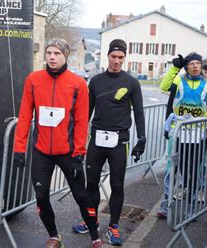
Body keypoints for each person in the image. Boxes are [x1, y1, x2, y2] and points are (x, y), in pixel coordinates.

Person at [13, 38, 104, 248]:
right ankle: (54, 236)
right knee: (41, 196)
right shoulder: (33, 80)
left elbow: (82, 121)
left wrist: (79, 151)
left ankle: (94, 236)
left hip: (68, 152)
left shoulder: (79, 84)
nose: (52, 57)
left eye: (57, 54)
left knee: (81, 196)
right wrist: (19, 148)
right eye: (49, 53)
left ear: (66, 57)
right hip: (41, 152)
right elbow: (25, 116)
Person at [72, 39, 146, 246]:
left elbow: (139, 114)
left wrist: (142, 139)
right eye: (113, 57)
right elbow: (86, 113)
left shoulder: (132, 83)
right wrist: (76, 139)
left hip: (119, 141)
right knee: (92, 183)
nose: (116, 61)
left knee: (116, 185)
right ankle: (91, 220)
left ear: (125, 58)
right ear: (108, 56)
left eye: (120, 57)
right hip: (96, 139)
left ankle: (113, 226)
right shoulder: (95, 81)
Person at [156, 52, 207, 219]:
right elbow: (164, 89)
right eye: (192, 63)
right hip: (178, 133)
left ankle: (190, 204)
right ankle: (167, 201)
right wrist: (175, 68)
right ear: (187, 66)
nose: (196, 66)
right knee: (174, 168)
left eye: (198, 63)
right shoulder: (179, 80)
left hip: (199, 134)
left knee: (193, 170)